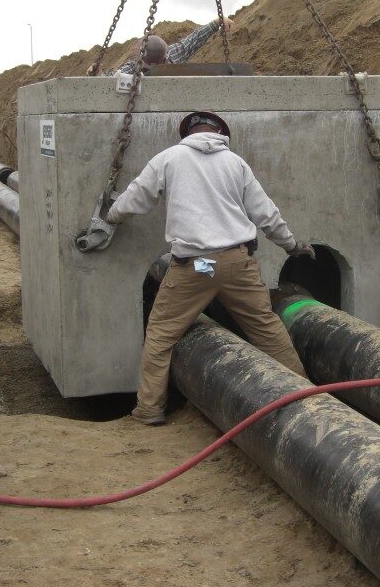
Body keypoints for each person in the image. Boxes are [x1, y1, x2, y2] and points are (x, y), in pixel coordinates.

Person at [104, 111, 315, 425]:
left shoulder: (169, 159)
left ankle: (149, 409)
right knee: (266, 329)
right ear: (220, 134)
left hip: (198, 267)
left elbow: (134, 199)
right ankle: (309, 398)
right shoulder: (235, 163)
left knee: (161, 335)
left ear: (187, 133)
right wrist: (292, 245)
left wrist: (109, 217)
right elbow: (266, 214)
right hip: (237, 264)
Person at [95, 16, 233, 77]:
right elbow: (112, 78)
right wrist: (97, 75)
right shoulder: (171, 56)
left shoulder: (172, 55)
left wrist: (216, 23)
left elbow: (194, 39)